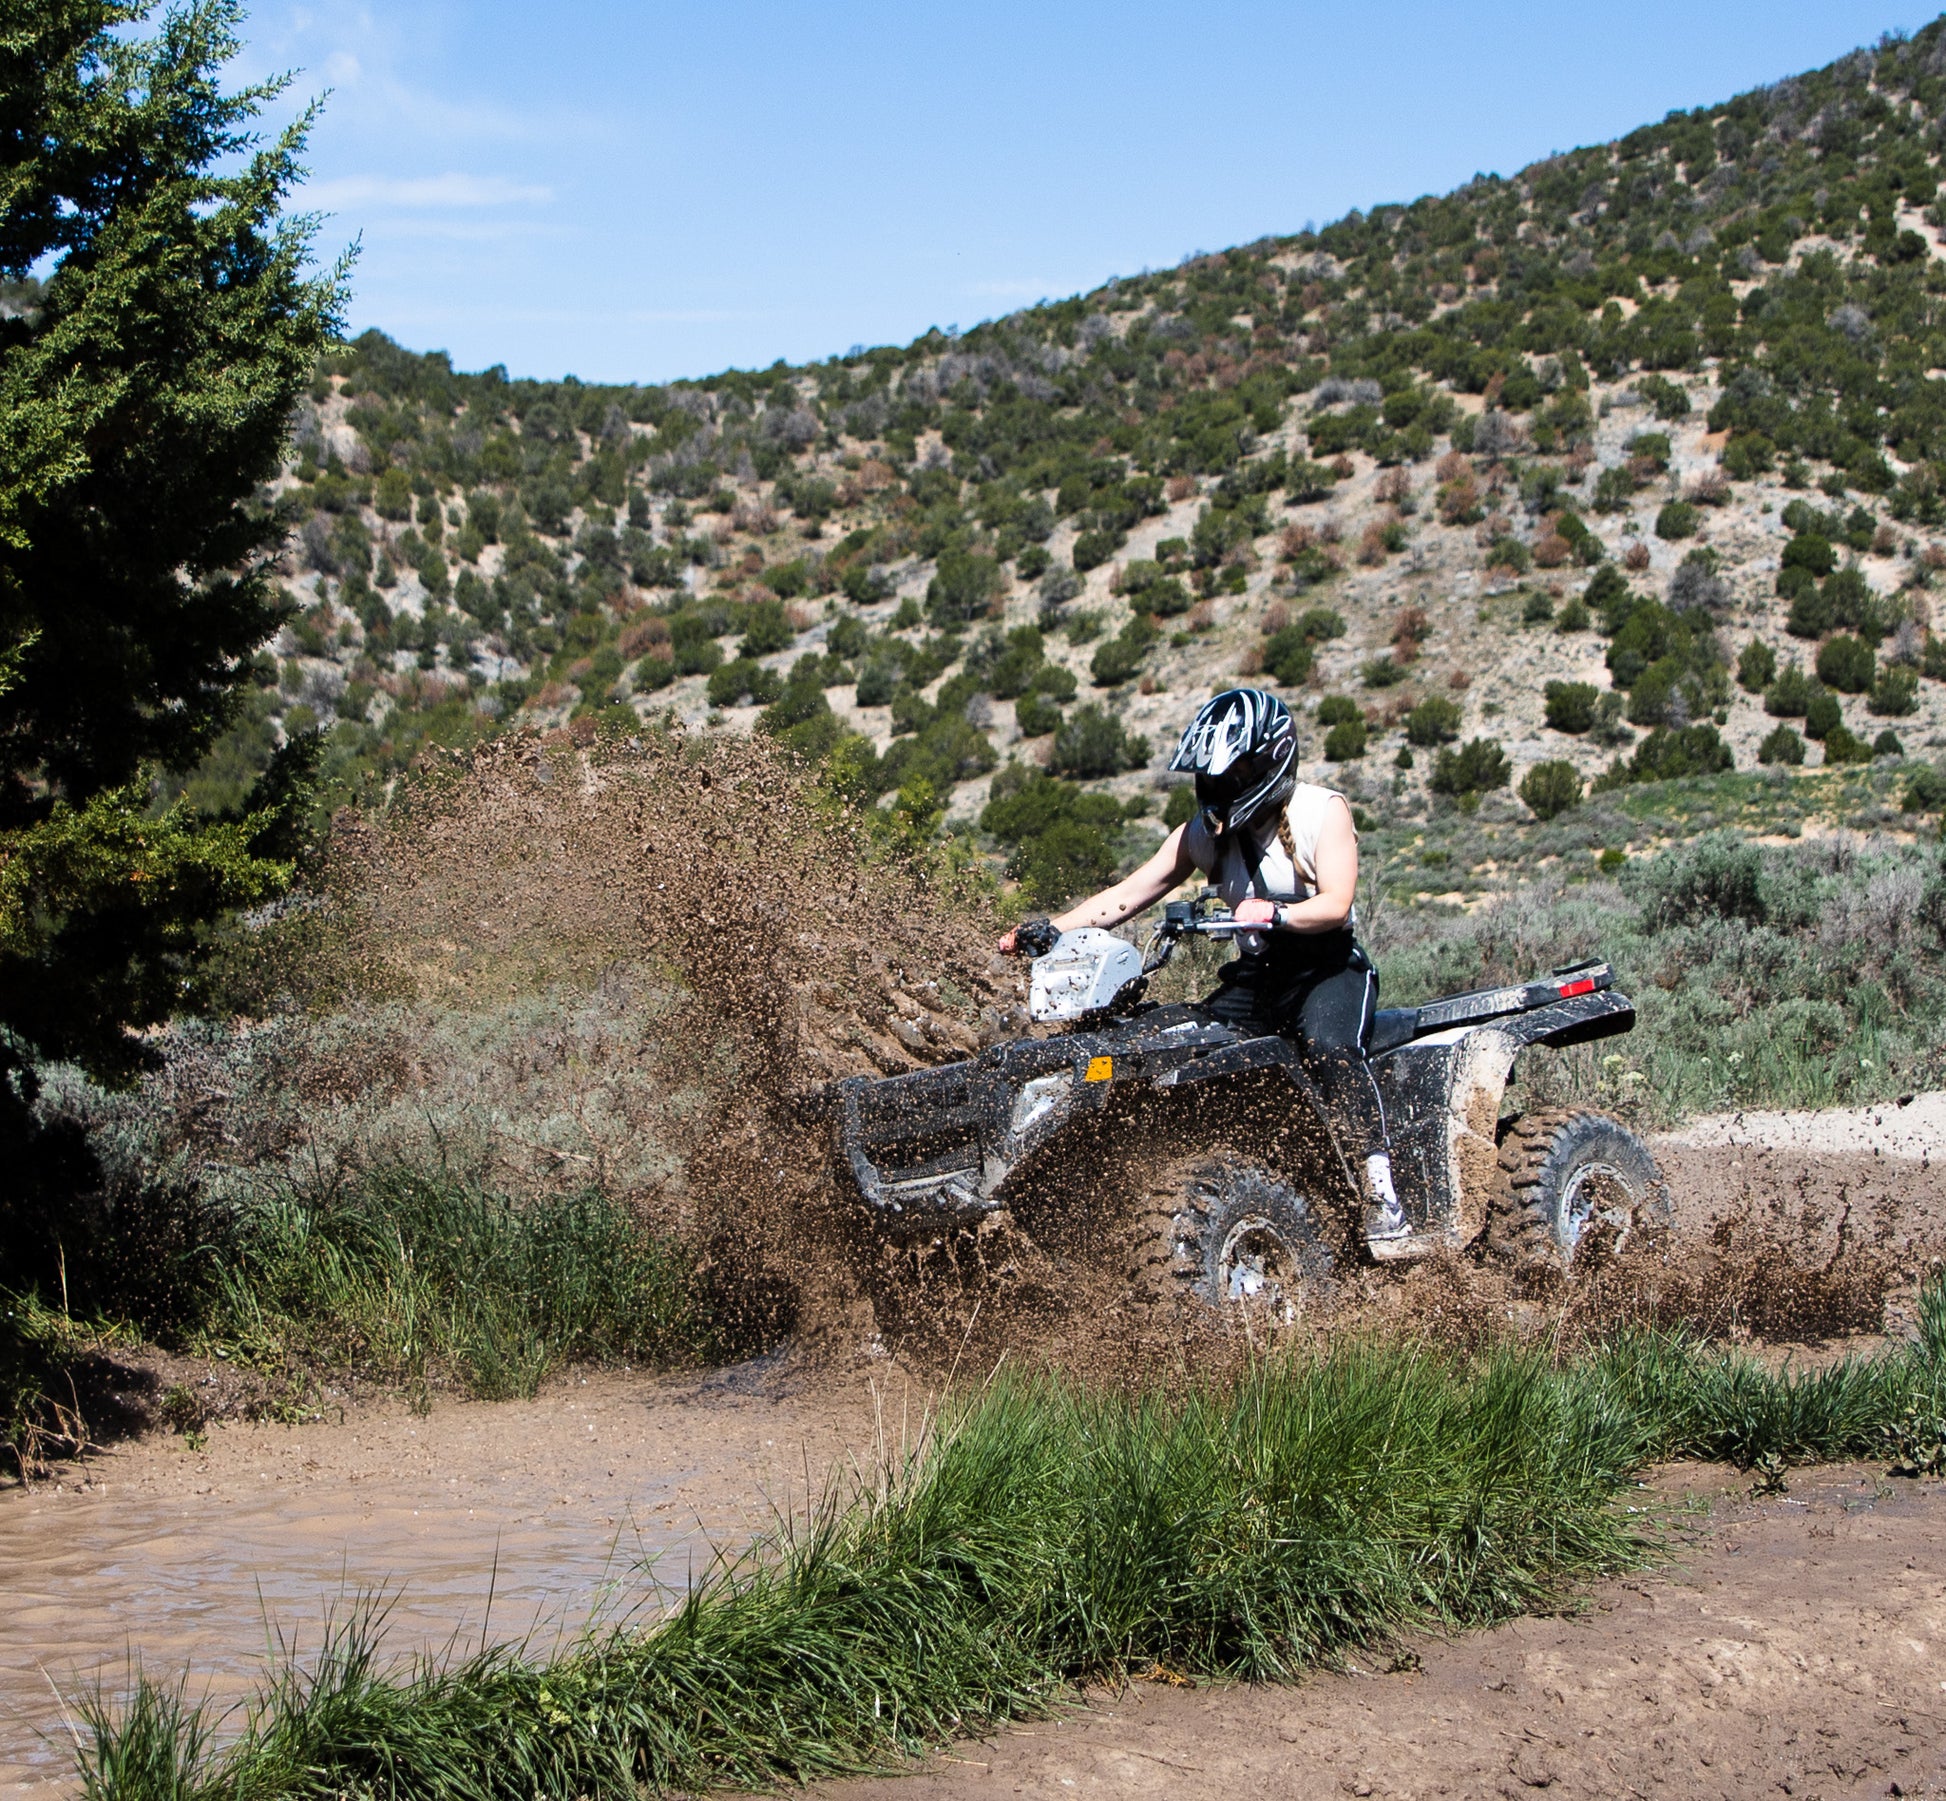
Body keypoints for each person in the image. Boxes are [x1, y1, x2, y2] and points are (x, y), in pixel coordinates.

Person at [998, 687, 1409, 1256]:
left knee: (1329, 1044)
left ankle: (1379, 1188)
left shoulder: (1322, 810)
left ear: (1269, 762)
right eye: (1211, 779)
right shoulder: (1208, 834)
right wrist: (1052, 928)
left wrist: (1279, 912)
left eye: (1231, 775)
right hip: (1258, 977)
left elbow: (1337, 903)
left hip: (1327, 971)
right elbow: (1132, 891)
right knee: (1176, 1039)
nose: (1217, 790)